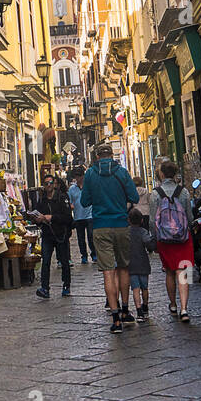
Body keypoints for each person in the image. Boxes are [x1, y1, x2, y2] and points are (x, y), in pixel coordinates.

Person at [79, 140, 140, 333]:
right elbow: (135, 197)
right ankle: (125, 310)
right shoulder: (121, 172)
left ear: (97, 157)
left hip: (100, 226)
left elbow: (84, 201)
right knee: (123, 268)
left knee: (108, 272)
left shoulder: (90, 174)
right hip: (121, 225)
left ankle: (115, 319)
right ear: (111, 156)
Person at [149, 158, 194, 323]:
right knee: (183, 271)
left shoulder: (155, 193)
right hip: (182, 238)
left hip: (164, 239)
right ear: (175, 174)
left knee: (169, 271)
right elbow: (189, 217)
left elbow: (152, 221)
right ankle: (184, 308)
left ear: (161, 174)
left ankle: (173, 304)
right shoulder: (184, 192)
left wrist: (154, 240)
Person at [27, 171, 73, 299]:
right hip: (47, 234)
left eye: (50, 183)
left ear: (54, 184)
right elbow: (37, 214)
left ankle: (66, 286)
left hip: (60, 234)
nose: (48, 185)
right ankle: (45, 288)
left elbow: (68, 217)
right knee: (46, 261)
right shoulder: (41, 200)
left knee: (64, 261)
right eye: (46, 183)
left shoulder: (62, 198)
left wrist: (51, 217)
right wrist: (37, 219)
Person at [127, 208, 156, 320]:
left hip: (131, 263)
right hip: (143, 263)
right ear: (142, 220)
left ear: (128, 220)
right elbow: (149, 244)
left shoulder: (126, 232)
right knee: (145, 287)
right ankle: (145, 306)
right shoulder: (143, 232)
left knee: (135, 288)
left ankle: (138, 311)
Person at [68, 167, 96, 263]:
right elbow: (70, 202)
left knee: (91, 236)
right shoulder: (72, 189)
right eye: (76, 176)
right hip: (78, 216)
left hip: (90, 215)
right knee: (81, 239)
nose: (78, 178)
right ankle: (83, 255)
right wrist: (71, 206)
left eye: (79, 176)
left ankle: (94, 254)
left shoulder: (90, 187)